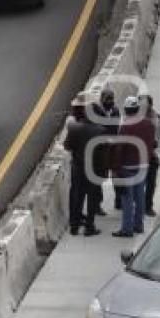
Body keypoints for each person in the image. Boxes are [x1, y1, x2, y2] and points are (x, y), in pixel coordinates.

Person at [110, 96, 155, 238]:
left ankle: (127, 229)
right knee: (140, 196)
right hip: (143, 165)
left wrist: (116, 168)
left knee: (127, 198)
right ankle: (139, 225)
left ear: (126, 109)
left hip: (128, 166)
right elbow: (152, 143)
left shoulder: (126, 126)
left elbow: (119, 149)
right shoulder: (149, 124)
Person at [63, 94, 106, 237]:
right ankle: (89, 227)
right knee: (92, 198)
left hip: (78, 168)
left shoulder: (74, 128)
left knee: (77, 197)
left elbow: (67, 146)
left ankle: (74, 226)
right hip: (93, 170)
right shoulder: (100, 131)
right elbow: (104, 154)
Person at [91, 88, 122, 213]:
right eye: (107, 98)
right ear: (101, 99)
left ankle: (119, 200)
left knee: (116, 176)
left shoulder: (115, 111)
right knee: (99, 178)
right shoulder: (96, 112)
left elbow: (117, 127)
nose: (110, 101)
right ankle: (97, 205)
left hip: (113, 148)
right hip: (100, 150)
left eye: (111, 98)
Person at [140, 94, 160, 217]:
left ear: (151, 105)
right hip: (138, 156)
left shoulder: (159, 120)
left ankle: (148, 206)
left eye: (145, 106)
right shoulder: (134, 119)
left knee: (151, 182)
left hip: (153, 156)